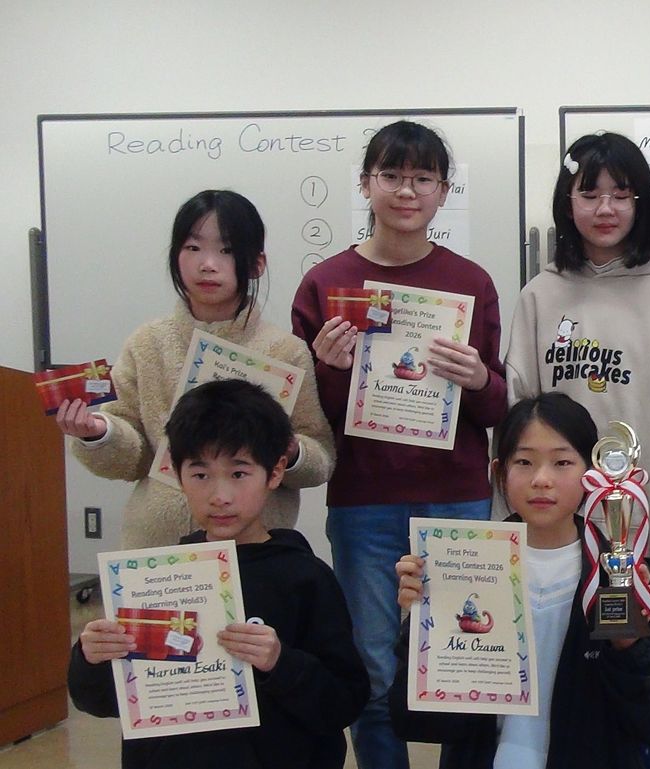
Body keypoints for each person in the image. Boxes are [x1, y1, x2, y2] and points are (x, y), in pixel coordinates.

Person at [291, 120, 507, 769]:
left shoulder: (470, 282)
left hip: (457, 498)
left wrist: (478, 379)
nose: (406, 191)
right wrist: (329, 368)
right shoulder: (327, 282)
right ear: (366, 183)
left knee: (466, 662)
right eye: (391, 175)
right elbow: (308, 418)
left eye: (422, 178)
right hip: (365, 503)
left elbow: (497, 407)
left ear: (443, 190)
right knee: (374, 668)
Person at [69, 379, 368, 769]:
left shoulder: (305, 578)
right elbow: (102, 701)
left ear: (275, 472)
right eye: (200, 475)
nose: (220, 496)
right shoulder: (154, 582)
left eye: (239, 474)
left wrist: (281, 663)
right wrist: (91, 658)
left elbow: (344, 702)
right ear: (176, 474)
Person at [389, 393, 650, 769]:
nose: (541, 480)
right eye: (524, 462)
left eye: (562, 462)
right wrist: (421, 624)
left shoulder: (619, 575)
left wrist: (630, 643)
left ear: (593, 474)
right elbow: (415, 721)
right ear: (499, 472)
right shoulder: (462, 568)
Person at [58, 190, 333, 549]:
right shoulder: (148, 343)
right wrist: (99, 433)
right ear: (176, 256)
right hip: (159, 548)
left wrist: (290, 449)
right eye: (193, 248)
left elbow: (320, 457)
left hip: (251, 549)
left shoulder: (286, 352)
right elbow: (132, 459)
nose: (208, 264)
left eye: (227, 250)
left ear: (256, 264)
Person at [505, 132, 650, 603]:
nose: (605, 209)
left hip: (637, 529)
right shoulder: (539, 295)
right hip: (552, 521)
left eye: (621, 195)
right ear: (567, 202)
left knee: (627, 644)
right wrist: (512, 516)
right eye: (590, 195)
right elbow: (516, 407)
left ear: (641, 203)